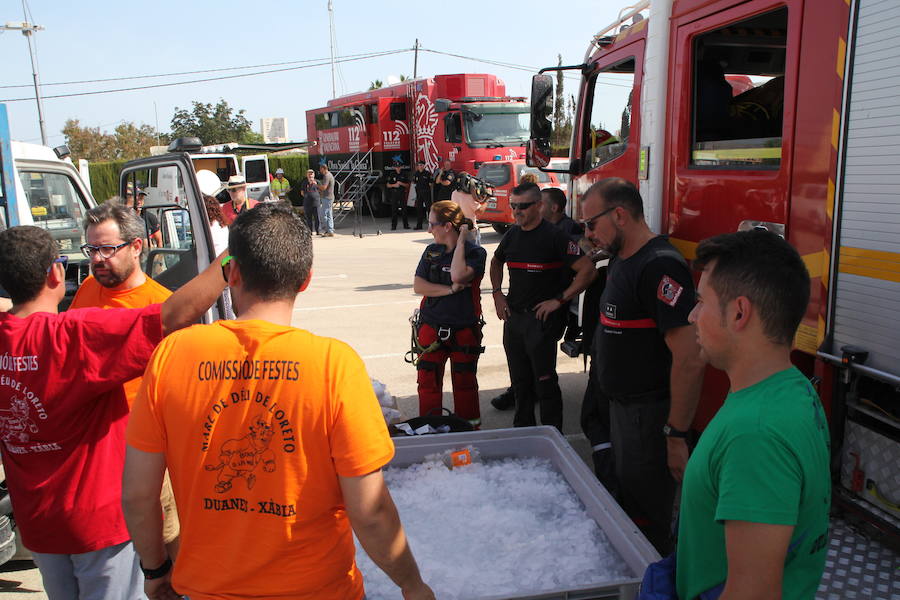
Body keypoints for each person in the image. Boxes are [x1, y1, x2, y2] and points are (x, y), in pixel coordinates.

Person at [122, 204, 434, 600]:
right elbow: (369, 510)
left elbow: (138, 493)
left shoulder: (172, 355)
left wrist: (155, 568)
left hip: (206, 588)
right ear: (305, 280)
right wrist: (411, 584)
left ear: (231, 273)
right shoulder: (333, 365)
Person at [0, 225, 226, 600]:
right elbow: (172, 315)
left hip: (37, 522)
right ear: (55, 273)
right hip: (97, 524)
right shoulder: (71, 335)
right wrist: (231, 257)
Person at [676, 229, 829, 599]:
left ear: (740, 312)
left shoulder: (755, 435)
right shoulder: (793, 387)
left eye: (701, 302)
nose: (693, 315)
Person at [580, 177, 705, 555]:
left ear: (619, 215)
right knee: (627, 509)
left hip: (648, 418)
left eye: (591, 224)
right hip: (621, 411)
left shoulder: (658, 266)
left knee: (648, 521)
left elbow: (690, 357)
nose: (588, 234)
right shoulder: (622, 259)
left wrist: (675, 435)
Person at [69, 202, 181, 558]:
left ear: (137, 247)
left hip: (146, 455)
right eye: (92, 249)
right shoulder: (87, 291)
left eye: (107, 248)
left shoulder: (163, 308)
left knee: (164, 548)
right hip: (95, 450)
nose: (98, 258)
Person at [490, 182, 596, 432]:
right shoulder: (513, 234)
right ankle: (523, 432)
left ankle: (552, 435)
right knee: (519, 382)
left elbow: (587, 271)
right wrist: (497, 294)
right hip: (514, 319)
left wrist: (559, 300)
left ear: (539, 206)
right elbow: (496, 262)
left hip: (542, 321)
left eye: (523, 206)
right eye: (513, 206)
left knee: (544, 382)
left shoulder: (556, 236)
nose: (517, 212)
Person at [412, 200, 487, 428]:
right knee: (427, 382)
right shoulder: (430, 251)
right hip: (431, 327)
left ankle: (467, 430)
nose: (428, 230)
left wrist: (462, 239)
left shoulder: (476, 253)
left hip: (463, 328)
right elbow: (418, 286)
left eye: (432, 224)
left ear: (447, 226)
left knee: (464, 383)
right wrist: (449, 291)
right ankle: (430, 429)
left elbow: (458, 274)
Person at [386, 162, 411, 231]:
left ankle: (406, 225)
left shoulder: (404, 174)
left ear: (401, 167)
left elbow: (407, 185)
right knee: (394, 210)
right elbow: (388, 185)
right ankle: (393, 226)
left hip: (402, 193)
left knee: (404, 210)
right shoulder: (392, 174)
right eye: (396, 167)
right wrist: (394, 185)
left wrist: (401, 183)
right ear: (394, 167)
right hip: (394, 193)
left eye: (399, 167)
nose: (397, 168)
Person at [412, 160, 433, 230]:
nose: (420, 166)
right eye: (419, 165)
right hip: (419, 193)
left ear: (424, 166)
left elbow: (431, 183)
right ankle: (419, 225)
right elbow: (414, 182)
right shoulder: (416, 173)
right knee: (419, 209)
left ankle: (431, 225)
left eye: (421, 165)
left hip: (426, 193)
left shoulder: (427, 173)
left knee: (429, 209)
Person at [299, 169, 321, 235]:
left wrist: (316, 185)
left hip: (316, 203)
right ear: (307, 175)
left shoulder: (317, 182)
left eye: (311, 174)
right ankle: (310, 231)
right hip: (307, 203)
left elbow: (321, 190)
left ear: (314, 175)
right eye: (309, 174)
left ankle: (318, 231)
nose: (310, 175)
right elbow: (302, 192)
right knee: (308, 218)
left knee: (317, 218)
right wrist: (307, 196)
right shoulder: (304, 182)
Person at [317, 163, 336, 237]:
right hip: (329, 197)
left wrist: (316, 185)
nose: (320, 171)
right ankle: (330, 231)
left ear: (324, 169)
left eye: (321, 169)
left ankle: (327, 229)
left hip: (327, 197)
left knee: (323, 214)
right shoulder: (330, 175)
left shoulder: (326, 176)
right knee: (329, 214)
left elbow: (324, 187)